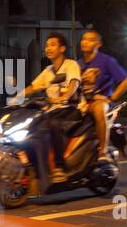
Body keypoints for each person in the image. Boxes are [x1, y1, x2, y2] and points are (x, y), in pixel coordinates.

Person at [18, 33, 82, 188]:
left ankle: (59, 167)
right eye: (46, 45)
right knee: (30, 125)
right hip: (53, 110)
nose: (48, 48)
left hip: (71, 108)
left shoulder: (70, 65)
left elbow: (74, 82)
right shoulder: (47, 71)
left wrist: (65, 96)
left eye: (53, 44)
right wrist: (18, 96)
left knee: (53, 123)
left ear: (62, 48)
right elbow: (34, 86)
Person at [78, 30, 127, 160]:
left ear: (98, 44)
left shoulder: (106, 61)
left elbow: (126, 81)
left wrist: (111, 98)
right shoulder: (77, 64)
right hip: (83, 102)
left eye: (91, 40)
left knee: (98, 109)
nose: (86, 42)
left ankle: (103, 151)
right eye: (84, 39)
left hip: (101, 102)